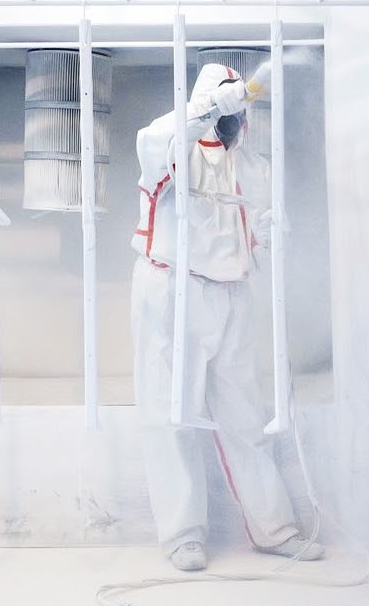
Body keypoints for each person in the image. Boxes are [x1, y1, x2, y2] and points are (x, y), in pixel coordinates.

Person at [130, 62, 324, 572]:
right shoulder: (168, 145)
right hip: (172, 289)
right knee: (170, 416)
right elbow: (161, 137)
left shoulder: (253, 165)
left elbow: (258, 230)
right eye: (231, 105)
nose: (239, 118)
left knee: (244, 417)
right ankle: (182, 535)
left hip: (232, 294)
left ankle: (274, 528)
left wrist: (270, 230)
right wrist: (215, 103)